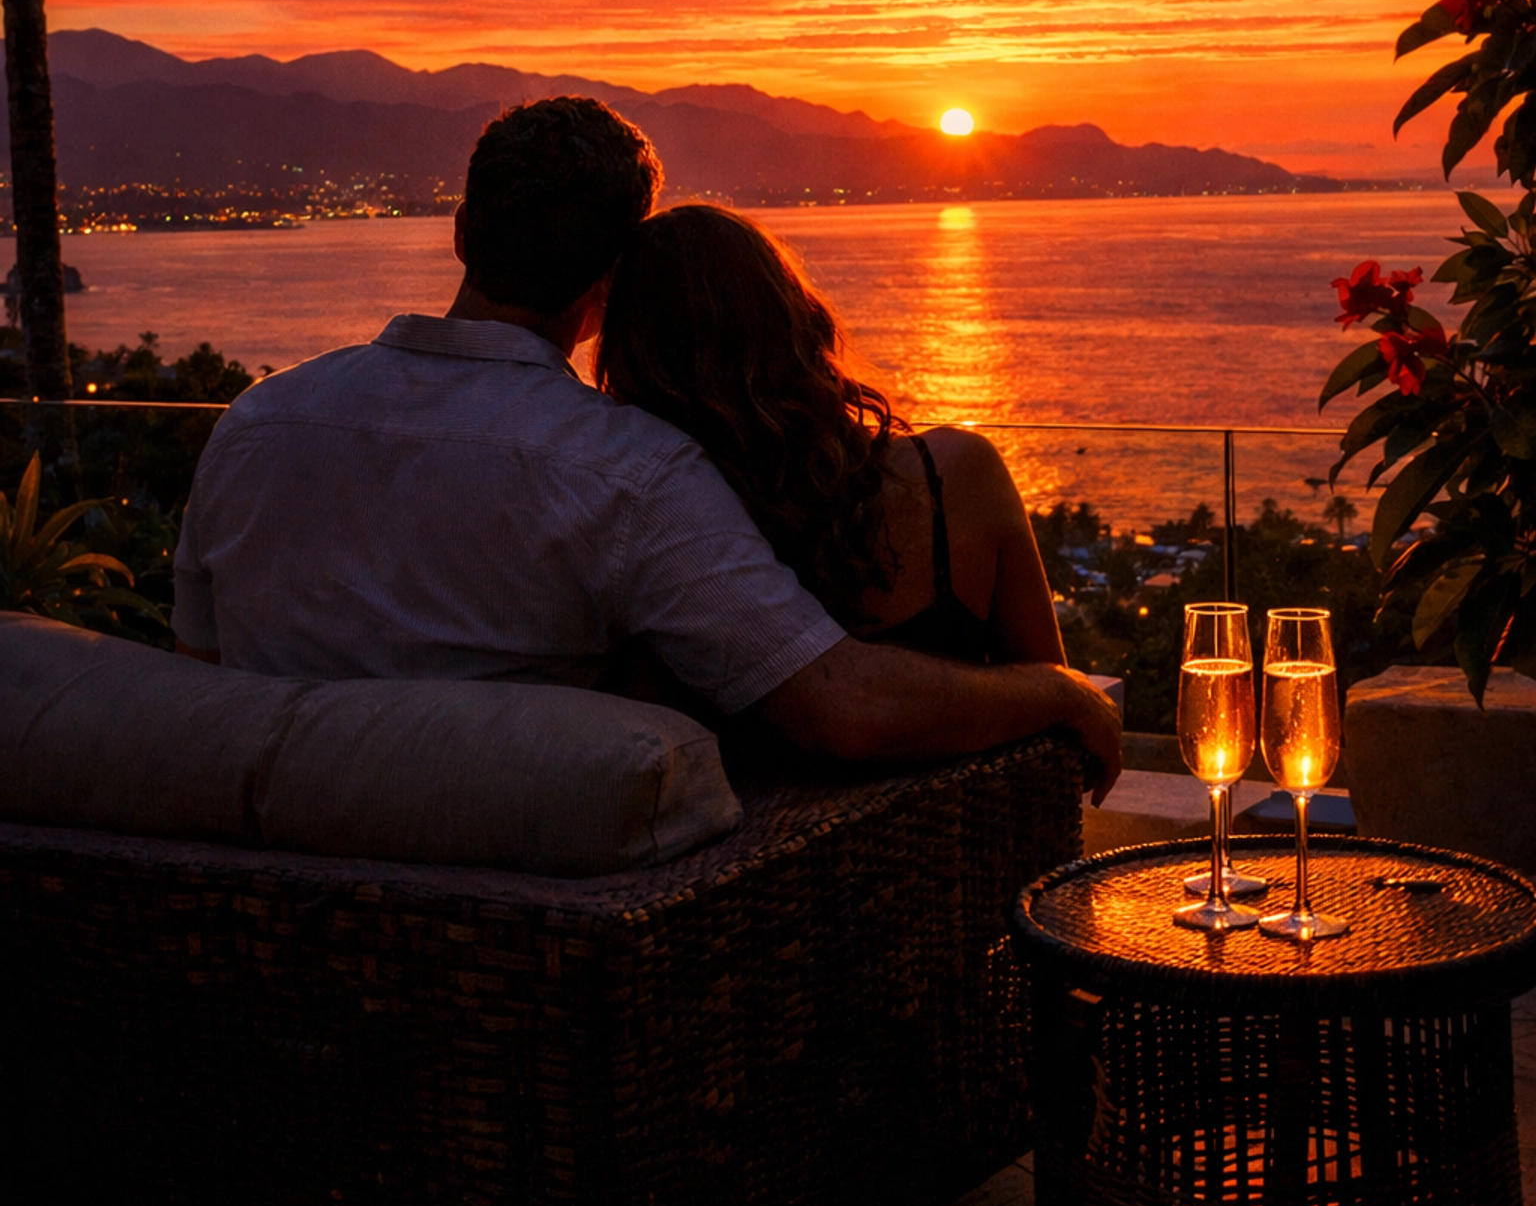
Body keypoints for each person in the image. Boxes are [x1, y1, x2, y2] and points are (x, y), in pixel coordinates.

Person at [173, 97, 1119, 790]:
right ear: (611, 277)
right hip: (524, 944)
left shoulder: (256, 424)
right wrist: (1063, 693)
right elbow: (840, 705)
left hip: (259, 918)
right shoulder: (625, 474)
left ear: (462, 235)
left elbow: (205, 673)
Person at [596, 203, 1066, 666]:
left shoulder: (643, 525)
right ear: (797, 316)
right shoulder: (955, 475)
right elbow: (1051, 687)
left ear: (632, 360)